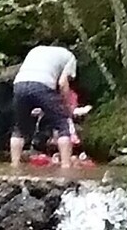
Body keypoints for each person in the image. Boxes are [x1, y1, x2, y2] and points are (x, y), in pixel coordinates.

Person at [9, 45, 77, 174]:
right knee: (62, 125)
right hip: (43, 85)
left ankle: (14, 165)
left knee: (19, 128)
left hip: (19, 84)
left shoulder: (36, 50)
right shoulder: (70, 57)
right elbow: (63, 83)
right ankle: (66, 167)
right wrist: (67, 106)